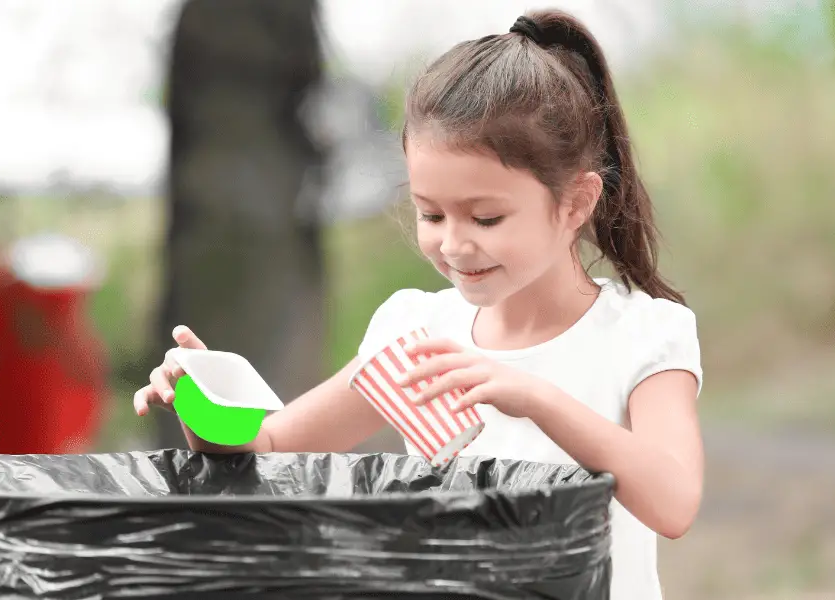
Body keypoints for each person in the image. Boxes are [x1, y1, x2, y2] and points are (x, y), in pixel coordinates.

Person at [133, 10, 703, 600]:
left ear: (576, 201)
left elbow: (673, 501)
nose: (453, 244)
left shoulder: (643, 333)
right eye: (431, 214)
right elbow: (273, 452)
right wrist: (209, 400)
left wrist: (534, 398)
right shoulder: (419, 332)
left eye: (486, 217)